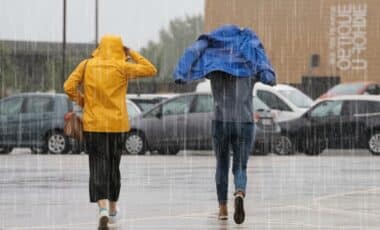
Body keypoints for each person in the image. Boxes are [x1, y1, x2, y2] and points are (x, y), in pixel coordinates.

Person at [173, 25, 276, 224]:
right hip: (244, 121)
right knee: (240, 166)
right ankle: (239, 192)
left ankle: (222, 209)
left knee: (221, 165)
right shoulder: (249, 62)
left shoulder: (214, 65)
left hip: (221, 121)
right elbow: (268, 76)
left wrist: (181, 72)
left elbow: (194, 57)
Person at [64, 35, 157, 230]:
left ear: (100, 48)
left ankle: (103, 210)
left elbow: (68, 86)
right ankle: (114, 210)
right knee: (114, 167)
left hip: (93, 125)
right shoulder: (122, 67)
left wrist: (83, 101)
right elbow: (151, 69)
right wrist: (130, 51)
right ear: (118, 49)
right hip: (117, 125)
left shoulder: (87, 65)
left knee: (98, 166)